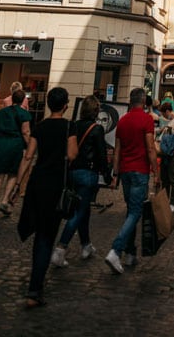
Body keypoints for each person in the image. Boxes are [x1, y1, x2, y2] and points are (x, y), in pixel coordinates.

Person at [16, 86, 76, 309]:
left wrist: (17, 187)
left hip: (36, 184)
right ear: (66, 105)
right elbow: (71, 155)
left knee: (38, 233)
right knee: (46, 236)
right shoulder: (69, 126)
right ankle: (35, 289)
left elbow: (29, 156)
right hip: (55, 186)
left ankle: (35, 284)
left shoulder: (39, 127)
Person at [50, 94, 112, 267]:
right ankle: (61, 248)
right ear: (96, 111)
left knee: (82, 210)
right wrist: (107, 175)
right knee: (79, 212)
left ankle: (86, 245)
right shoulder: (97, 129)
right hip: (88, 174)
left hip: (72, 172)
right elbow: (101, 154)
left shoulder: (74, 126)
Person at [104, 86, 157, 275]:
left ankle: (130, 252)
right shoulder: (146, 120)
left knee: (131, 211)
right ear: (143, 102)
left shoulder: (123, 121)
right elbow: (151, 148)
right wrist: (156, 172)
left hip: (125, 171)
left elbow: (116, 150)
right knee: (135, 212)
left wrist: (115, 174)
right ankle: (116, 250)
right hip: (140, 171)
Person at [0, 87, 31, 218]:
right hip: (14, 145)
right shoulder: (24, 114)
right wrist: (30, 145)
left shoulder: (0, 113)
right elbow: (25, 132)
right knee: (12, 173)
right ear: (22, 101)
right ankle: (5, 200)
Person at [156, 101, 174, 213]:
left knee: (173, 179)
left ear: (167, 111)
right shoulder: (171, 121)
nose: (163, 116)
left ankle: (173, 203)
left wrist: (167, 142)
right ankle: (166, 200)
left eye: (163, 114)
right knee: (165, 179)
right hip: (167, 154)